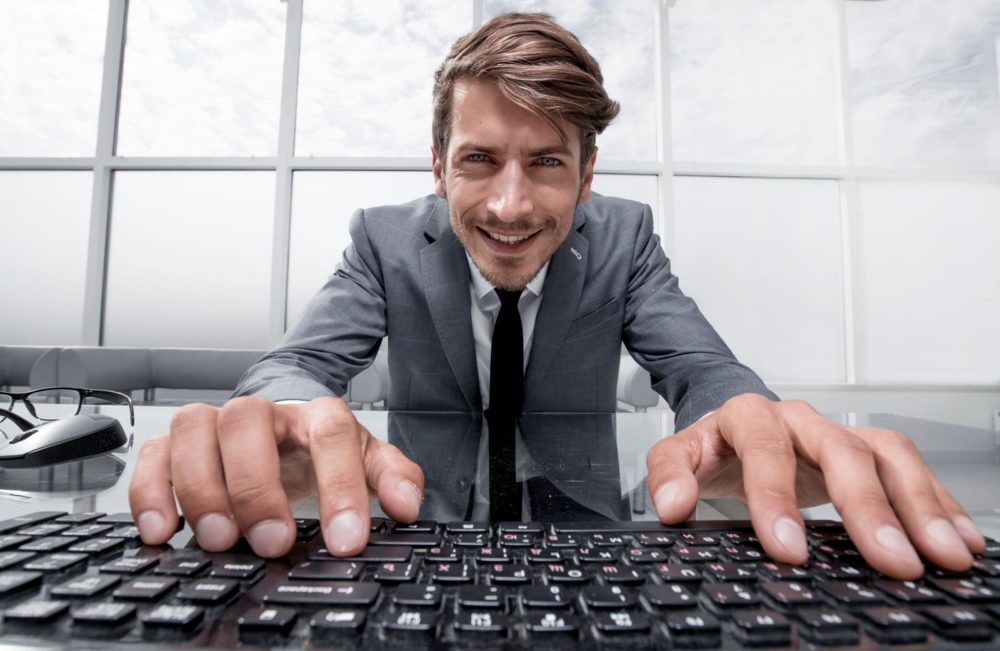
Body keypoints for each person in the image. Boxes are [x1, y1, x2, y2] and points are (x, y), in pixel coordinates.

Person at [128, 13, 984, 580]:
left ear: (587, 172)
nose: (509, 205)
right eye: (477, 160)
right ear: (436, 166)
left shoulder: (624, 235)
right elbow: (300, 362)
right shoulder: (383, 238)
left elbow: (699, 367)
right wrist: (283, 415)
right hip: (420, 536)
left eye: (545, 162)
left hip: (584, 539)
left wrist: (747, 415)